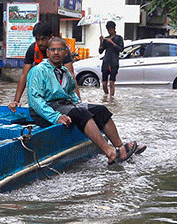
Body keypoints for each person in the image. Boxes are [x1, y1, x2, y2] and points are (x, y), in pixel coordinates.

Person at [28, 37, 145, 165]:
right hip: (46, 109)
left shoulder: (65, 71)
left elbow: (71, 92)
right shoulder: (38, 70)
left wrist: (79, 104)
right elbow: (35, 100)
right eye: (53, 50)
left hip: (64, 105)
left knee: (101, 110)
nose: (56, 53)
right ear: (48, 52)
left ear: (65, 53)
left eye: (60, 49)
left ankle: (120, 147)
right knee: (81, 113)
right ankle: (111, 153)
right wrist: (56, 117)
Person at [8, 22, 80, 112]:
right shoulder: (32, 49)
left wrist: (78, 103)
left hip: (58, 89)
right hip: (42, 88)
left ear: (51, 37)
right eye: (37, 39)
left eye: (43, 39)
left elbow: (71, 76)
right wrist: (16, 101)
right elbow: (24, 76)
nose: (40, 43)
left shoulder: (61, 50)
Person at [98, 20, 125, 96]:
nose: (109, 31)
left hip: (114, 62)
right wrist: (101, 42)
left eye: (111, 29)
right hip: (106, 62)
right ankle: (106, 96)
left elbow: (121, 49)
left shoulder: (119, 38)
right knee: (104, 83)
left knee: (112, 82)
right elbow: (100, 51)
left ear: (114, 29)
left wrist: (112, 43)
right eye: (108, 30)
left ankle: (111, 97)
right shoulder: (106, 39)